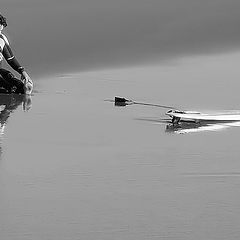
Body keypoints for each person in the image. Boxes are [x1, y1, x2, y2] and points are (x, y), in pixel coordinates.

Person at [0, 14, 33, 94]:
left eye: (1, 29)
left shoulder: (1, 39)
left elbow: (11, 59)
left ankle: (24, 89)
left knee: (16, 82)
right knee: (9, 88)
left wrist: (23, 72)